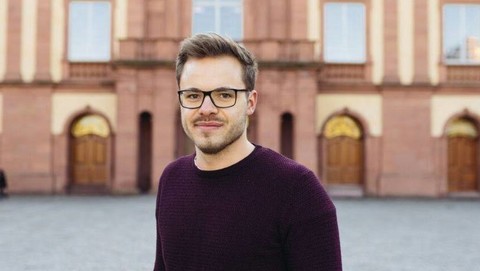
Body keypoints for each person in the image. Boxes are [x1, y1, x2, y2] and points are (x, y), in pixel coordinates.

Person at [154, 33, 342, 270]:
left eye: (224, 95)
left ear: (251, 102)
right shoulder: (171, 179)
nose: (206, 108)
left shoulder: (297, 189)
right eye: (193, 95)